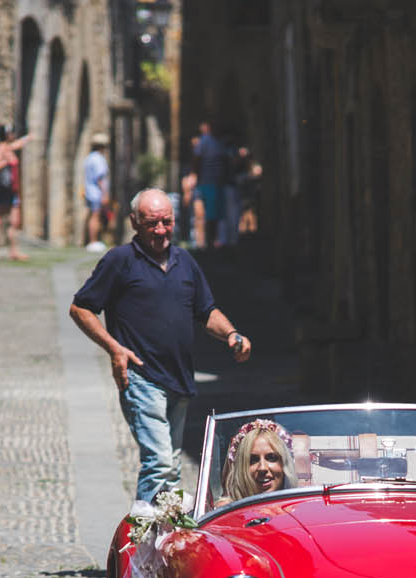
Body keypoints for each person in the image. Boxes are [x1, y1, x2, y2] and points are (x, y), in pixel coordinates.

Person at [67, 188, 253, 502]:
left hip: (179, 378)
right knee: (160, 463)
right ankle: (142, 531)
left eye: (166, 221)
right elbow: (80, 308)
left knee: (173, 468)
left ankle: (165, 531)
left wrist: (232, 334)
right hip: (141, 377)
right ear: (134, 222)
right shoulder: (120, 261)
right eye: (152, 223)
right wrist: (114, 348)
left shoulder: (185, 261)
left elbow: (206, 311)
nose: (161, 230)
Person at [0, 124, 32, 262]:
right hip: (3, 190)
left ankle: (14, 251)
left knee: (14, 222)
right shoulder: (0, 149)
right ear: (5, 135)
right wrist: (5, 162)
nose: (13, 135)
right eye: (11, 133)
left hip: (13, 190)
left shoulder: (8, 148)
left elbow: (18, 144)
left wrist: (28, 138)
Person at [221, 419, 295, 501]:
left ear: (284, 463)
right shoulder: (227, 508)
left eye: (271, 458)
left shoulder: (300, 504)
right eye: (253, 460)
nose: (262, 468)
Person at [190, 122, 227, 248]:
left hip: (210, 182)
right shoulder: (211, 142)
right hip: (211, 182)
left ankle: (209, 242)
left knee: (210, 214)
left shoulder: (208, 141)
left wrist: (195, 174)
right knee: (211, 214)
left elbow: (197, 158)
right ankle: (209, 242)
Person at [83, 133, 110, 251]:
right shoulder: (99, 159)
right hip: (96, 192)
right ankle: (93, 241)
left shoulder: (89, 158)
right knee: (95, 217)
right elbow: (100, 179)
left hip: (89, 191)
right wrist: (105, 194)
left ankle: (92, 240)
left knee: (93, 216)